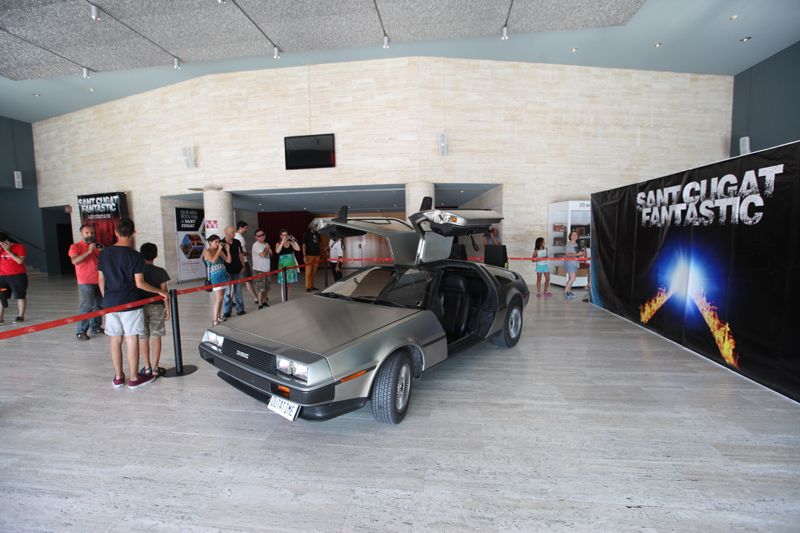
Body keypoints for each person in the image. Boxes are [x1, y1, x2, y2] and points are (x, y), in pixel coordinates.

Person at [97, 218, 167, 389]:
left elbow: (100, 280)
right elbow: (140, 283)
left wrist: (107, 299)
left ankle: (118, 377)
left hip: (111, 303)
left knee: (115, 339)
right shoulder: (135, 256)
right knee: (132, 338)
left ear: (116, 232)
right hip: (130, 303)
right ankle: (134, 378)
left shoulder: (104, 253)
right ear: (134, 233)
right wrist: (160, 292)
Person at [137, 243, 170, 378]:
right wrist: (167, 308)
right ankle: (156, 368)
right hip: (157, 306)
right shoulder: (161, 271)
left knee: (143, 336)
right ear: (156, 255)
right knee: (156, 336)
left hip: (140, 307)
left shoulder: (137, 271)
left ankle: (147, 367)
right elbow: (164, 292)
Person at [68, 224, 104, 339]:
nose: (90, 235)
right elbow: (75, 261)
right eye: (87, 233)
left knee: (99, 305)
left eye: (92, 233)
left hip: (99, 280)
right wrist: (89, 251)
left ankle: (95, 326)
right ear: (81, 234)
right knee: (87, 306)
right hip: (85, 281)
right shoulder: (75, 247)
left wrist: (103, 251)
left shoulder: (97, 246)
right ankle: (80, 331)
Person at [203, 234, 231, 325]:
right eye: (216, 242)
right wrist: (219, 250)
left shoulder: (219, 250)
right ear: (210, 242)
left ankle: (218, 316)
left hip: (223, 275)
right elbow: (213, 260)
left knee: (221, 298)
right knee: (219, 298)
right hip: (215, 277)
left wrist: (228, 250)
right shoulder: (207, 251)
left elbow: (228, 260)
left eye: (219, 242)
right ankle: (215, 319)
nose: (218, 243)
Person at [0, 232, 27, 325]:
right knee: (1, 296)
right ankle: (0, 318)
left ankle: (20, 316)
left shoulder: (19, 247)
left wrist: (8, 251)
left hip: (18, 276)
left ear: (6, 241)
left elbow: (19, 261)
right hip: (2, 277)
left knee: (20, 296)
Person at [222, 225, 246, 318]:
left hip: (238, 269)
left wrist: (243, 266)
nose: (234, 233)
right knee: (227, 292)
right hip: (227, 271)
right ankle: (227, 311)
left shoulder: (237, 242)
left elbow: (240, 254)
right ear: (226, 233)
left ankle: (240, 309)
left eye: (234, 231)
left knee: (238, 291)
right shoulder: (221, 243)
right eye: (232, 232)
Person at [234, 221, 259, 305]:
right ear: (241, 228)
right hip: (243, 262)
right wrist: (249, 253)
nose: (246, 229)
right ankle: (256, 298)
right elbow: (240, 252)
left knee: (236, 282)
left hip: (238, 262)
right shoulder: (239, 238)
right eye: (245, 228)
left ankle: (231, 300)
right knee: (248, 281)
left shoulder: (236, 236)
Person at [275, 229, 300, 302]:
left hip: (291, 266)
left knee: (288, 284)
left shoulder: (290, 242)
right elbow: (277, 251)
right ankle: (284, 301)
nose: (285, 237)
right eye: (283, 235)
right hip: (283, 266)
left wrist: (294, 240)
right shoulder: (278, 243)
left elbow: (298, 249)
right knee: (283, 284)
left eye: (286, 235)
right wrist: (282, 243)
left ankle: (287, 299)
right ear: (280, 236)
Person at [251, 228, 272, 308]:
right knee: (261, 289)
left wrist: (268, 249)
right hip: (259, 270)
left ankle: (264, 301)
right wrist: (267, 248)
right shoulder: (256, 245)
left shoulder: (265, 244)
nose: (261, 237)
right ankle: (260, 304)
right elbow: (262, 255)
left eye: (262, 235)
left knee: (266, 288)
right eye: (259, 236)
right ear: (256, 237)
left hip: (266, 269)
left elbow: (271, 254)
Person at [563, 230, 583, 300]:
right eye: (573, 235)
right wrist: (578, 254)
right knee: (572, 278)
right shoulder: (569, 244)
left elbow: (576, 254)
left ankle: (569, 292)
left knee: (571, 278)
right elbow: (567, 254)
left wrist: (581, 254)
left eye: (576, 235)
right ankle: (565, 293)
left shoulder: (576, 244)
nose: (574, 236)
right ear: (570, 236)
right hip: (570, 263)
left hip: (574, 262)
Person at [302, 222, 322, 292]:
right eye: (314, 225)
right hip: (309, 255)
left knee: (313, 272)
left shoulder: (318, 234)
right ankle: (308, 287)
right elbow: (304, 245)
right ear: (310, 226)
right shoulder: (306, 234)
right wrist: (304, 255)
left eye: (316, 226)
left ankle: (312, 286)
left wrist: (320, 253)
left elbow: (319, 244)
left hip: (317, 255)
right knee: (308, 272)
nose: (315, 227)